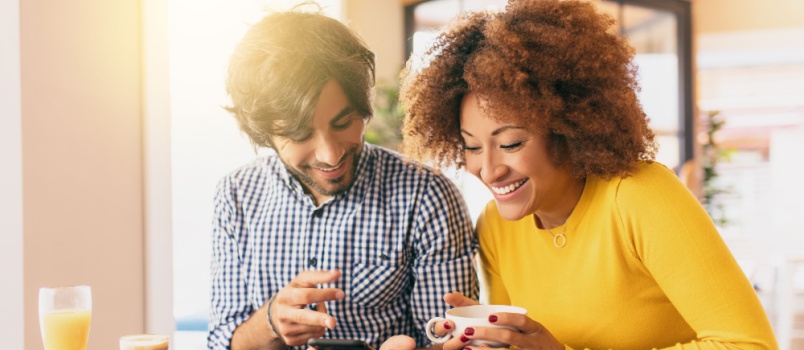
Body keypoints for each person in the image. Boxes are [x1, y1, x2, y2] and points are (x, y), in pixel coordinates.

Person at [398, 0, 778, 349]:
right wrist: (492, 339)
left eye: (511, 143)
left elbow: (749, 344)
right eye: (472, 146)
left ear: (567, 129)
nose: (490, 170)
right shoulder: (497, 226)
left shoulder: (639, 196)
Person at [208, 3, 478, 350]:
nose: (330, 154)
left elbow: (452, 338)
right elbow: (222, 342)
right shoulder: (236, 195)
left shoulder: (426, 196)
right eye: (301, 135)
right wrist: (271, 322)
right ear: (264, 135)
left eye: (342, 123)